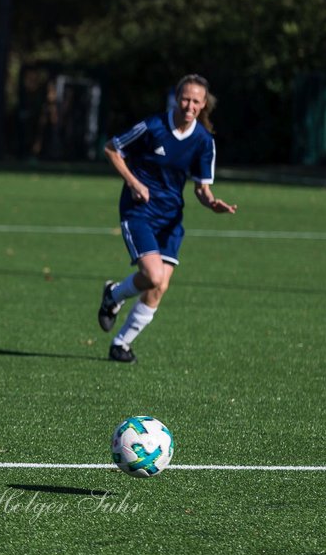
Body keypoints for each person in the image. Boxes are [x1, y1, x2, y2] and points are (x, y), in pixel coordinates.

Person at [97, 73, 237, 363]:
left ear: (203, 104)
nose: (189, 105)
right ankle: (114, 295)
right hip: (139, 211)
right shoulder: (153, 127)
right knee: (153, 275)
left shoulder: (203, 141)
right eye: (185, 98)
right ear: (176, 97)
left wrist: (211, 203)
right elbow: (112, 148)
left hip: (171, 218)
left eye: (196, 101)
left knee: (159, 286)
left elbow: (201, 188)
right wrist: (134, 183)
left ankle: (121, 343)